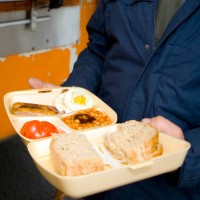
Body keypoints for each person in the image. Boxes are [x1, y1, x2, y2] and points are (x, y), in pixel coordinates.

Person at [29, 0, 200, 199]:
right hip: (97, 169)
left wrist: (186, 152)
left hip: (168, 189)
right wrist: (72, 97)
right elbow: (99, 49)